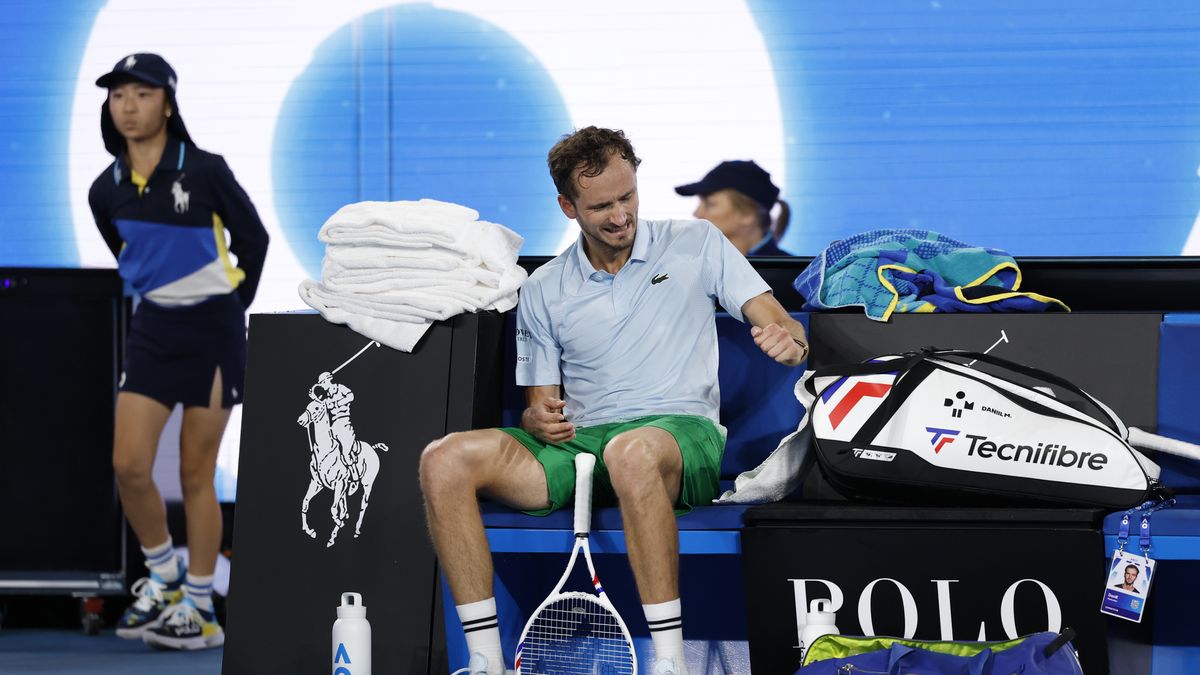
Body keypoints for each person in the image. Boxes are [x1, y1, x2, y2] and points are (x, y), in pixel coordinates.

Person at [419, 127, 808, 675]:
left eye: (628, 198)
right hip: (585, 449)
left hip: (680, 436)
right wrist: (538, 418)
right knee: (443, 458)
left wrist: (788, 343)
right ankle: (485, 660)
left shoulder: (697, 242)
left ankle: (669, 663)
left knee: (632, 452)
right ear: (567, 206)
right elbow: (540, 403)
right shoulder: (543, 287)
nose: (621, 215)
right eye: (602, 205)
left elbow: (782, 324)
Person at [88, 53, 269, 650]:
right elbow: (128, 254)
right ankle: (163, 578)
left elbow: (253, 239)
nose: (129, 106)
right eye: (119, 96)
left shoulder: (206, 170)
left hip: (214, 331)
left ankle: (199, 608)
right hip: (153, 333)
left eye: (142, 94)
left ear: (167, 102)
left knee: (196, 472)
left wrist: (231, 302)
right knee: (129, 465)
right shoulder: (104, 190)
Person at [675, 160, 795, 256]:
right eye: (700, 204)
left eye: (710, 204)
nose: (697, 213)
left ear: (747, 215)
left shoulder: (795, 278)